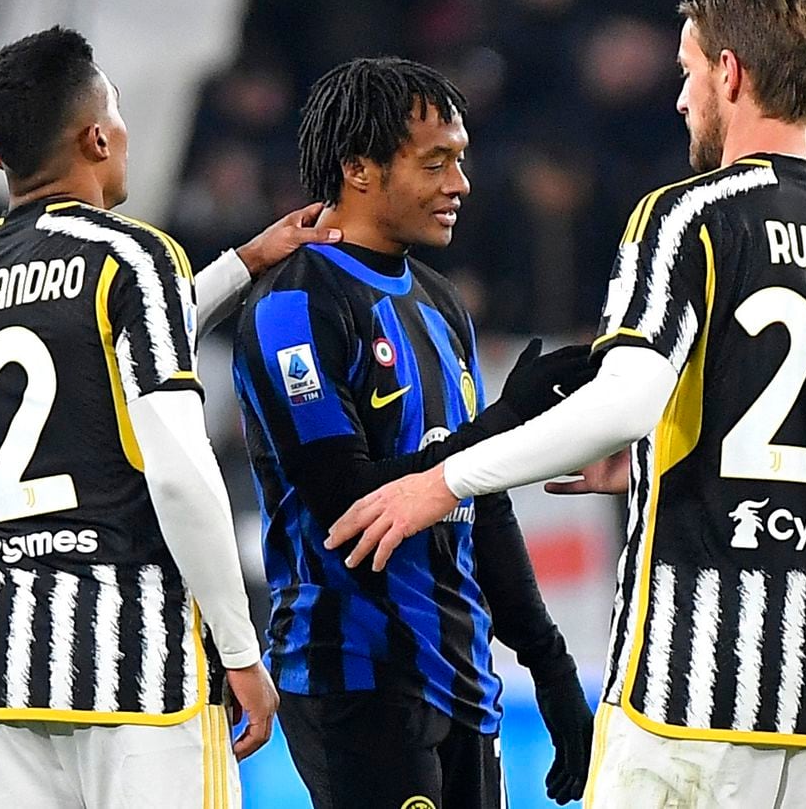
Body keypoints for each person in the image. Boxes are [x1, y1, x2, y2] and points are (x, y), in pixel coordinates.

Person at [328, 0, 806, 809]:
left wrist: (442, 480)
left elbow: (624, 401)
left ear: (730, 73)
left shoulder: (689, 214)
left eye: (688, 73)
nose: (681, 99)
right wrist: (653, 459)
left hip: (698, 694)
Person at [0, 26, 338, 809]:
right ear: (96, 136)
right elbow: (181, 476)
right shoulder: (131, 257)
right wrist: (242, 650)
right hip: (142, 681)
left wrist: (240, 264)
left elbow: (82, 346)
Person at [232, 57, 595, 808]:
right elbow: (347, 506)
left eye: (460, 160)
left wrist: (553, 672)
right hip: (356, 675)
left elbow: (475, 499)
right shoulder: (294, 305)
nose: (459, 183)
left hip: (463, 682)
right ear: (359, 169)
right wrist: (499, 426)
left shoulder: (439, 303)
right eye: (436, 162)